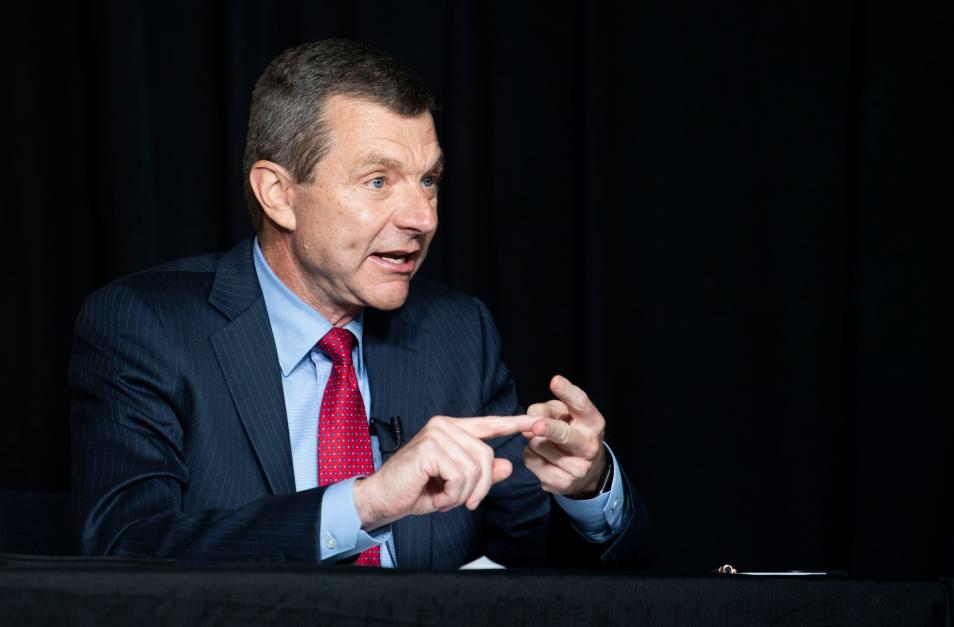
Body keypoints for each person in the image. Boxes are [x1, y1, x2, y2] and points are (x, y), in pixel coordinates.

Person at [70, 39, 649, 568]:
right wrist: (365, 504)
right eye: (378, 181)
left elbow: (528, 556)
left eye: (429, 181)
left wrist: (587, 486)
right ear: (280, 195)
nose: (422, 218)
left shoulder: (457, 332)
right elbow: (127, 547)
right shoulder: (146, 325)